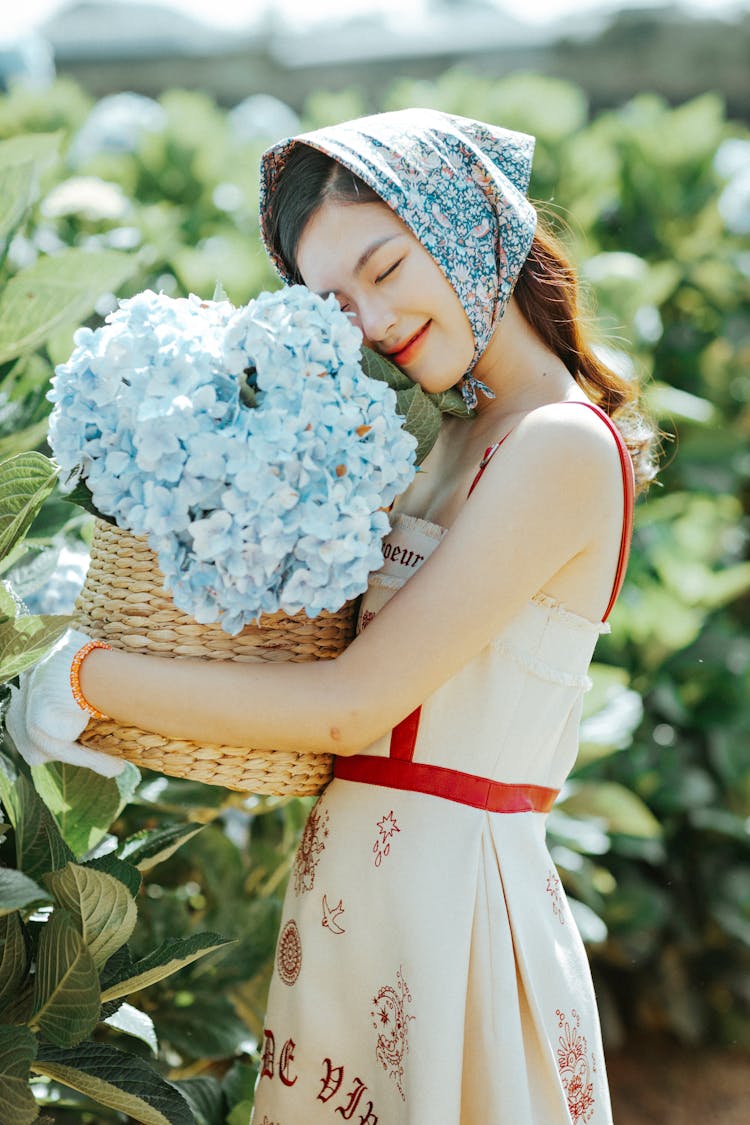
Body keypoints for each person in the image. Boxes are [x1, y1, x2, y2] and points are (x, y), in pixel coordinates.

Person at [8, 108, 656, 1123]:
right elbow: (293, 666)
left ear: (468, 225)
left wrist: (88, 677)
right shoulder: (442, 439)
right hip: (355, 889)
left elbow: (351, 706)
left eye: (387, 266)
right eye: (336, 301)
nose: (370, 317)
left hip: (455, 911)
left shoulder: (558, 447)